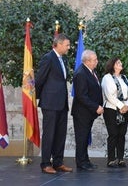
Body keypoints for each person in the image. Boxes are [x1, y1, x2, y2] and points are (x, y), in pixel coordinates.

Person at [35, 33, 73, 174]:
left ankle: (58, 162)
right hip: (50, 103)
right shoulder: (48, 58)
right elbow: (39, 79)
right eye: (67, 45)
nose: (68, 48)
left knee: (60, 134)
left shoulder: (64, 60)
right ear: (59, 44)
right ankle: (45, 164)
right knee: (49, 134)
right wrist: (42, 97)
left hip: (62, 103)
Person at [71, 50, 104, 171]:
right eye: (95, 59)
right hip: (82, 113)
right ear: (88, 61)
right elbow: (81, 96)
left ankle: (85, 160)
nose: (97, 61)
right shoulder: (81, 73)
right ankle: (81, 162)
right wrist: (96, 107)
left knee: (85, 137)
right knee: (81, 138)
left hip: (88, 113)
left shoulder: (90, 71)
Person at [101, 58, 128, 168]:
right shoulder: (107, 78)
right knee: (113, 134)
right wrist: (121, 105)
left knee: (121, 134)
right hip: (111, 109)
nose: (121, 64)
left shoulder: (124, 78)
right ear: (113, 65)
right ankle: (111, 159)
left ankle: (120, 158)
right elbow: (109, 95)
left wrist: (127, 105)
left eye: (121, 62)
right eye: (118, 63)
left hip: (125, 110)